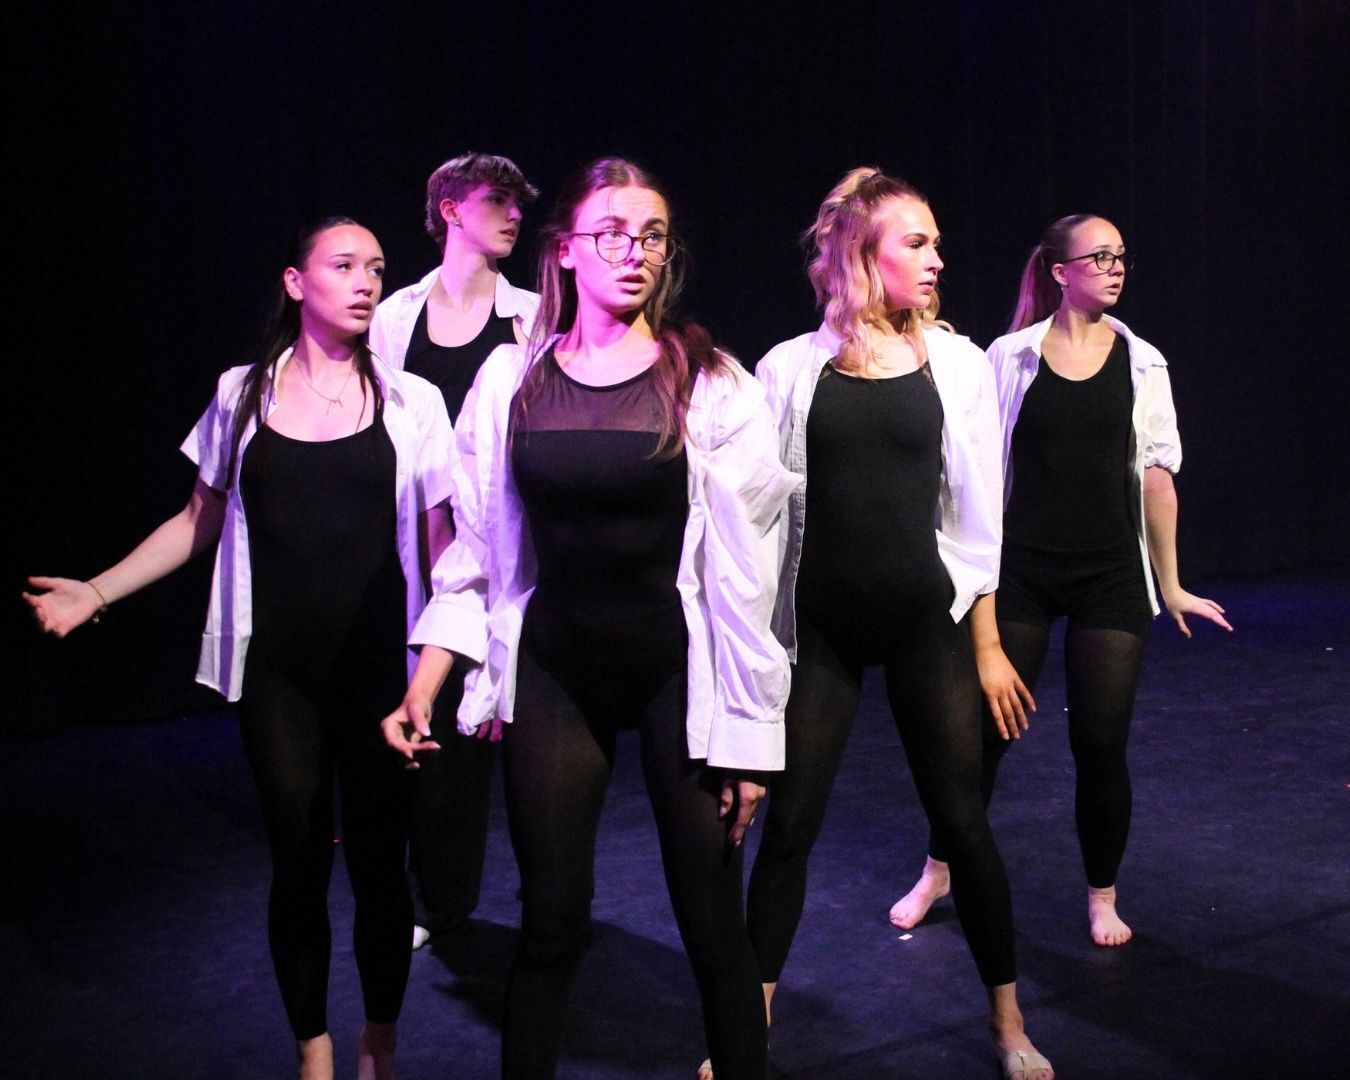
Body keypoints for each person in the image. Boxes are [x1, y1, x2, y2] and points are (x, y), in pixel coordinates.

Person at [381, 157, 799, 1080]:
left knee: (711, 926)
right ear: (565, 250)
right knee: (550, 923)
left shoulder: (710, 383)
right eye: (610, 232)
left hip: (675, 674)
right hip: (557, 669)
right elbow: (480, 555)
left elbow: (747, 582)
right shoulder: (510, 381)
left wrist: (748, 737)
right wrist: (427, 683)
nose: (633, 251)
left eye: (651, 235)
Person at [24, 218, 456, 1080]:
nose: (366, 282)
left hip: (380, 677)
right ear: (297, 283)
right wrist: (96, 591)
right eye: (344, 265)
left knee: (380, 870)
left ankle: (379, 1043)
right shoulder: (241, 395)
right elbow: (199, 518)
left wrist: (432, 682)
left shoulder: (413, 403)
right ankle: (313, 1052)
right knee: (297, 862)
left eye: (376, 268)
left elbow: (448, 561)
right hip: (279, 677)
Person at [746, 168, 1052, 1080]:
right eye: (915, 242)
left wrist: (986, 644)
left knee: (963, 823)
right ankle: (746, 1019)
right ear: (860, 253)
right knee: (790, 827)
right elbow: (760, 523)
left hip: (925, 621)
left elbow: (978, 515)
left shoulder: (957, 364)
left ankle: (1007, 1019)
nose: (936, 258)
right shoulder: (789, 368)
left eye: (936, 243)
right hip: (823, 633)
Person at [890, 214, 1231, 949]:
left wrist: (1170, 584)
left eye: (1120, 256)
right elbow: (974, 469)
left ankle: (1102, 895)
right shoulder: (1010, 357)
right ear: (1059, 271)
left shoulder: (1143, 362)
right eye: (1099, 257)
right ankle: (939, 869)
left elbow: (1157, 476)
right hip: (1023, 575)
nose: (1115, 268)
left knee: (1101, 746)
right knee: (985, 739)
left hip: (1110, 577)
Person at [369, 152, 540, 949]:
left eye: (517, 202)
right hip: (414, 552)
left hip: (502, 555)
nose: (513, 213)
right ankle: (432, 900)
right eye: (496, 199)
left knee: (511, 734)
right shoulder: (394, 319)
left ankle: (534, 901)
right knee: (428, 722)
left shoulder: (530, 318)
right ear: (450, 209)